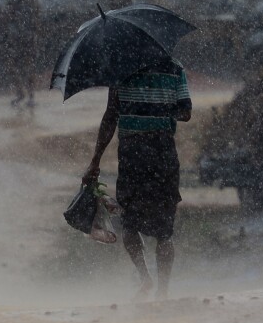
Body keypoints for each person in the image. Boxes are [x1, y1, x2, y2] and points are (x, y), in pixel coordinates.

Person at [82, 57, 192, 301]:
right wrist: (163, 110)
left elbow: (110, 118)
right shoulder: (172, 68)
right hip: (155, 155)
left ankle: (153, 283)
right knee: (147, 227)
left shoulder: (125, 69)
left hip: (141, 155)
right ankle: (155, 284)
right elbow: (185, 112)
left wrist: (95, 161)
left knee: (144, 226)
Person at [2, 0, 41, 108]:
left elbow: (36, 20)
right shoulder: (15, 1)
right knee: (16, 67)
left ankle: (29, 96)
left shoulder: (30, 2)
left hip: (25, 39)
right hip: (17, 39)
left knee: (26, 66)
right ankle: (24, 94)